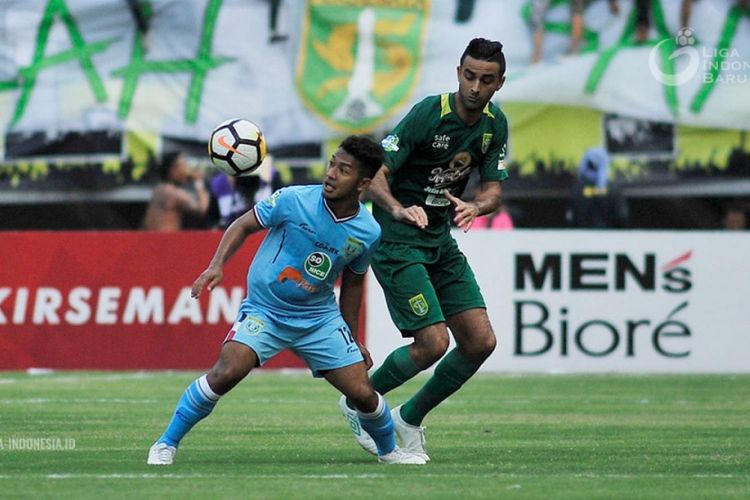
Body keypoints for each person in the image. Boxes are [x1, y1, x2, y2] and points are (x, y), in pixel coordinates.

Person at [147, 136, 425, 466]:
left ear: (364, 183)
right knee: (226, 372)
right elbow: (243, 224)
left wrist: (353, 338)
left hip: (318, 318)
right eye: (332, 163)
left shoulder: (368, 231)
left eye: (344, 169)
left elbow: (353, 284)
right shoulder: (294, 199)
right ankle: (166, 443)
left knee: (363, 393)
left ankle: (388, 451)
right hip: (266, 310)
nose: (332, 173)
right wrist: (216, 265)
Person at [339, 38, 508, 462]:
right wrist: (396, 208)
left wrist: (477, 205)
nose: (475, 86)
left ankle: (408, 418)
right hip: (397, 241)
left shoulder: (494, 124)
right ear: (458, 73)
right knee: (432, 342)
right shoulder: (428, 113)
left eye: (485, 80)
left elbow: (493, 191)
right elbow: (377, 172)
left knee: (480, 342)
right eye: (469, 76)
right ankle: (362, 400)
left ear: (498, 83)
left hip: (439, 241)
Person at [143, 152, 209, 231]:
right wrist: (198, 182)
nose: (187, 170)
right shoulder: (174, 193)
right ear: (173, 169)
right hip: (167, 240)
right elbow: (202, 209)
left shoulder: (158, 189)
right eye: (184, 165)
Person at [566, 147, 628, 228]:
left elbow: (570, 218)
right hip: (609, 238)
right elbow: (622, 217)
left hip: (582, 238)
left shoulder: (577, 189)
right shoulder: (613, 190)